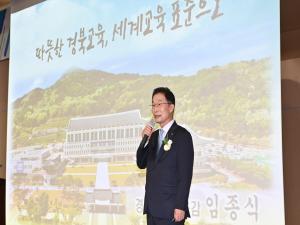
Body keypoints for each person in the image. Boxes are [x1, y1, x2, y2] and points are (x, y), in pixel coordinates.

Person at [137, 87, 194, 225]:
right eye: (153, 105)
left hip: (171, 210)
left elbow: (185, 175)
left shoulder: (182, 136)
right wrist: (144, 139)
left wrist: (180, 206)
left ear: (171, 107)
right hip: (152, 209)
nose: (155, 109)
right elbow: (141, 162)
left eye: (159, 103)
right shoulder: (154, 136)